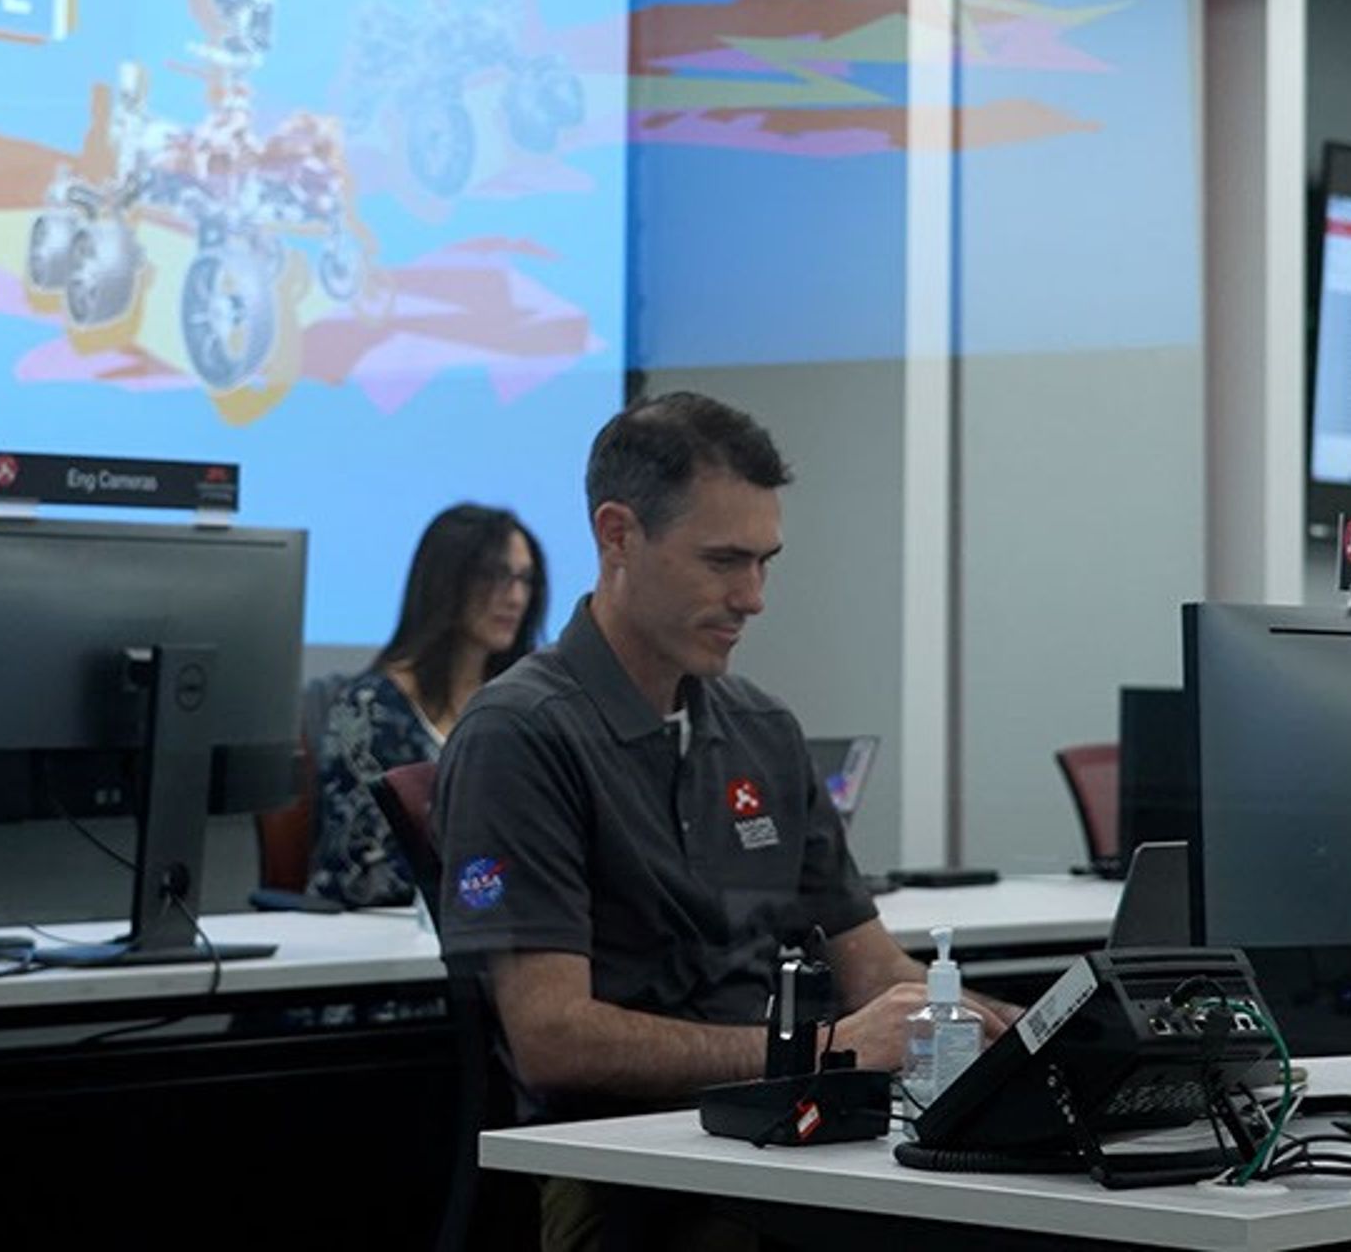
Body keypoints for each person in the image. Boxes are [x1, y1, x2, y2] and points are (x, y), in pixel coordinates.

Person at [436, 393, 1009, 1221]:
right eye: (723, 561)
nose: (754, 597)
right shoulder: (520, 736)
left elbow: (876, 972)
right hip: (631, 1171)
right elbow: (553, 1037)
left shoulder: (760, 729)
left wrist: (1041, 1032)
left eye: (765, 561)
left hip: (789, 1139)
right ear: (618, 536)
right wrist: (829, 1050)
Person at [307, 503, 548, 906]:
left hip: (499, 927)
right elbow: (365, 865)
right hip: (382, 936)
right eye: (495, 576)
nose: (515, 597)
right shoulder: (370, 709)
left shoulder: (523, 706)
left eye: (525, 579)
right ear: (446, 583)